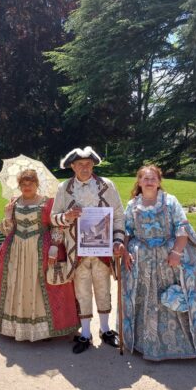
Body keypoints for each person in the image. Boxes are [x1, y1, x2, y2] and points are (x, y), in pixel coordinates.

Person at [122, 165, 196, 361]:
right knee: (149, 299)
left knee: (179, 294)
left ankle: (191, 343)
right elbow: (127, 232)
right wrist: (124, 253)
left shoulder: (170, 201)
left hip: (172, 257)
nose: (149, 181)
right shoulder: (132, 205)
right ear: (139, 182)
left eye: (153, 178)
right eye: (145, 178)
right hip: (145, 262)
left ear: (159, 182)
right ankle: (149, 343)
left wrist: (176, 252)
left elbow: (182, 227)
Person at [51, 146, 124, 353]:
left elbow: (118, 214)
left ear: (93, 165)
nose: (85, 168)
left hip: (102, 249)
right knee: (81, 291)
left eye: (88, 164)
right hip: (77, 249)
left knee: (103, 288)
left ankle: (105, 329)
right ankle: (85, 333)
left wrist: (118, 239)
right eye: (80, 164)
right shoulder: (64, 188)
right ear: (72, 166)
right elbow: (53, 217)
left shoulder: (107, 185)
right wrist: (67, 217)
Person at [0, 169, 80, 341]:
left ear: (37, 184)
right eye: (23, 184)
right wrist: (8, 216)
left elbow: (56, 226)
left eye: (30, 183)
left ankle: (45, 329)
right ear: (19, 185)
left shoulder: (47, 203)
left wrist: (55, 246)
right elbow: (7, 231)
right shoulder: (13, 203)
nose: (27, 187)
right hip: (16, 251)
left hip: (41, 250)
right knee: (15, 284)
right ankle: (15, 327)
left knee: (42, 285)